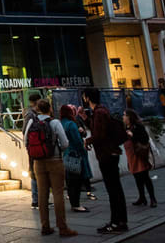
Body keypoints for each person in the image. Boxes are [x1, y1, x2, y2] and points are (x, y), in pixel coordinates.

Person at [25, 100, 77, 237]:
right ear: (50, 109)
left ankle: (45, 226)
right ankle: (63, 227)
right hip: (54, 161)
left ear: (38, 109)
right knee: (58, 193)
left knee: (42, 194)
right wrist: (57, 148)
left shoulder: (32, 122)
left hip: (38, 163)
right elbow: (65, 143)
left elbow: (25, 141)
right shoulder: (54, 123)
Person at [83, 88, 128, 234]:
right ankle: (120, 221)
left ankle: (117, 222)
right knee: (116, 189)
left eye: (84, 96)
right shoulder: (101, 111)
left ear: (87, 98)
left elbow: (99, 134)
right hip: (110, 153)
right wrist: (85, 119)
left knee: (113, 190)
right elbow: (99, 129)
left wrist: (88, 140)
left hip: (106, 154)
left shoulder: (99, 112)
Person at [60, 104, 91, 213]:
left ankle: (73, 202)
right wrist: (83, 150)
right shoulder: (71, 124)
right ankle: (76, 204)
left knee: (70, 181)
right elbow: (78, 141)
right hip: (75, 155)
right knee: (76, 181)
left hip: (66, 154)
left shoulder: (60, 124)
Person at [124, 109, 157, 207]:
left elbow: (144, 139)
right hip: (131, 155)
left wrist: (132, 135)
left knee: (145, 177)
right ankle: (142, 197)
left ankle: (152, 199)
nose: (123, 117)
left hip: (139, 155)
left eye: (124, 115)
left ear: (130, 117)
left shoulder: (138, 126)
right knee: (137, 177)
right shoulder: (126, 127)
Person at [23, 93, 43, 209]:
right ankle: (35, 200)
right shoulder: (30, 115)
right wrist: (28, 146)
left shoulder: (33, 114)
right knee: (34, 173)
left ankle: (39, 199)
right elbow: (25, 131)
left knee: (36, 172)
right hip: (33, 147)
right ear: (36, 101)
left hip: (34, 147)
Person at [75, 106, 98, 201]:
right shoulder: (70, 123)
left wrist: (83, 132)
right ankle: (82, 190)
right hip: (77, 149)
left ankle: (86, 189)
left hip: (78, 149)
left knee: (82, 169)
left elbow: (84, 132)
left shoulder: (76, 120)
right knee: (80, 169)